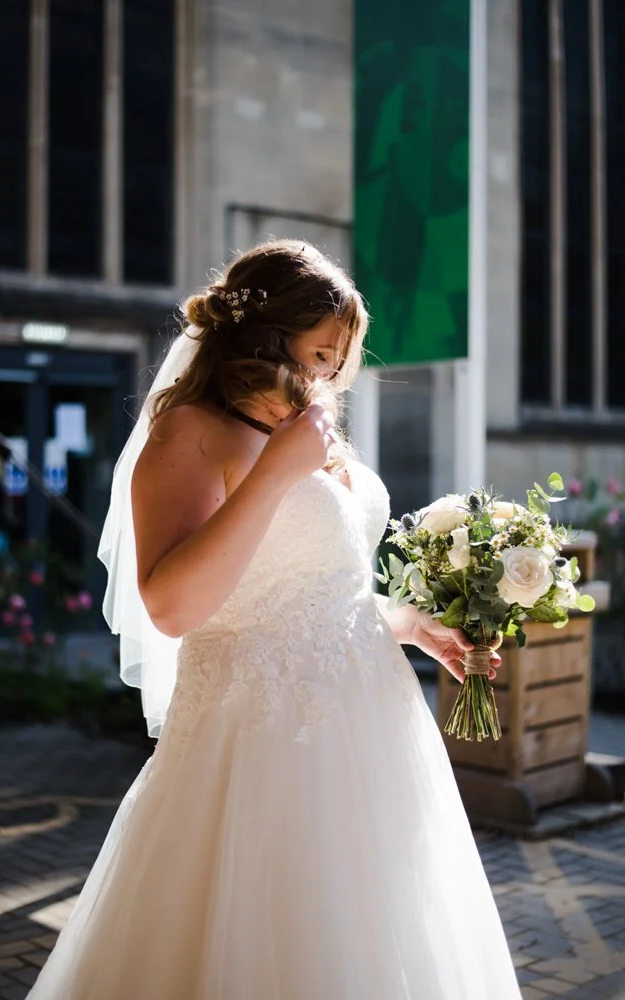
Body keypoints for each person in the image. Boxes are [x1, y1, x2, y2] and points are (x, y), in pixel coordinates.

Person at [27, 240, 522, 999]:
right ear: (266, 335)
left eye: (339, 360)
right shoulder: (191, 430)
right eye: (321, 352)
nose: (329, 374)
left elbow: (317, 589)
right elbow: (172, 605)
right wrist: (277, 475)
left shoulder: (305, 429)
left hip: (374, 736)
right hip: (255, 745)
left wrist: (410, 624)